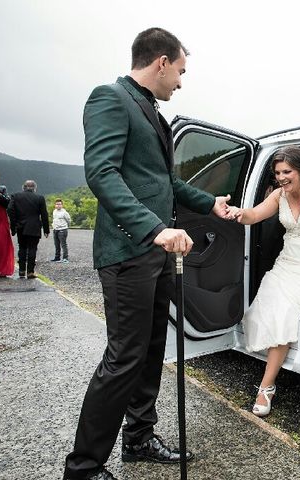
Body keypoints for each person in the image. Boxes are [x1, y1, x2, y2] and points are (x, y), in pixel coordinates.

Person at [63, 28, 231, 480]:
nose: (180, 81)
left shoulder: (154, 114)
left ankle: (138, 438)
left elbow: (164, 182)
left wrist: (209, 202)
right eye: (179, 71)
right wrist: (155, 230)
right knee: (124, 357)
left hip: (153, 254)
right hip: (127, 250)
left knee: (152, 350)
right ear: (160, 62)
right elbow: (101, 173)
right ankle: (83, 467)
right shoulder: (110, 98)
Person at [227, 145, 300, 417]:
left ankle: (266, 387)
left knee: (283, 313)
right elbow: (254, 215)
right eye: (277, 172)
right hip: (286, 264)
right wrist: (236, 213)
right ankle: (278, 363)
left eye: (287, 171)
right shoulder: (279, 194)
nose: (281, 177)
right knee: (263, 307)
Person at [7, 180, 49, 279]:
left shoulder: (15, 196)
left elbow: (9, 209)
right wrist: (46, 230)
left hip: (20, 226)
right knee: (32, 248)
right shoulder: (40, 198)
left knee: (22, 248)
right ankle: (30, 272)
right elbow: (44, 214)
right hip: (34, 227)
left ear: (23, 187)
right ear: (35, 188)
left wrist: (14, 225)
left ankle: (21, 270)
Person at [51, 198, 71, 263]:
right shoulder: (54, 211)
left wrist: (65, 227)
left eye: (59, 204)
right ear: (55, 205)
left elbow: (69, 220)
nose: (58, 205)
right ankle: (57, 258)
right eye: (57, 204)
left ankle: (65, 258)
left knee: (63, 244)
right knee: (56, 244)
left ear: (62, 205)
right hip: (55, 230)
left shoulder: (64, 213)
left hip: (62, 230)